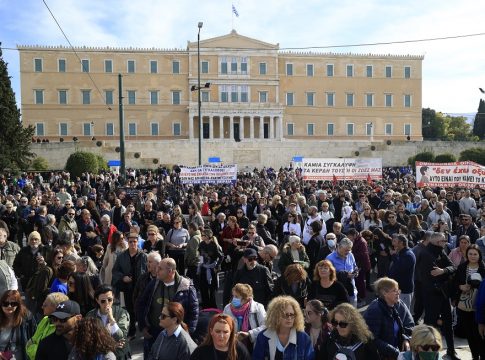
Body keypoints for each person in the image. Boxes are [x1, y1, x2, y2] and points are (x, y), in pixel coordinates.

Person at [136, 257, 198, 359]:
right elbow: (141, 304)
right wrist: (142, 326)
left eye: (160, 268)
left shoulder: (186, 287)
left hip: (175, 336)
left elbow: (193, 312)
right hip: (153, 333)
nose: (157, 270)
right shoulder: (154, 283)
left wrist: (188, 333)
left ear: (170, 271)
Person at [417, 231, 460, 360]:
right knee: (430, 326)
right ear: (436, 242)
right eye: (443, 240)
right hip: (431, 296)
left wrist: (443, 271)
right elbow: (432, 275)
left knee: (448, 324)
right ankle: (428, 354)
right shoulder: (425, 254)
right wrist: (445, 273)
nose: (446, 242)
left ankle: (451, 352)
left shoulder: (441, 251)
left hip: (443, 294)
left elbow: (453, 267)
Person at [364, 277, 414, 359]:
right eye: (394, 291)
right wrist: (395, 352)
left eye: (398, 290)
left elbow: (410, 324)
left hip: (397, 353)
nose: (398, 293)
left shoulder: (400, 304)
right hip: (380, 356)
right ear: (384, 293)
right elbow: (372, 339)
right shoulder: (374, 310)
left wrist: (406, 339)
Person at [451, 244, 485, 360]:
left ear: (479, 255)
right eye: (470, 254)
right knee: (469, 334)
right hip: (464, 305)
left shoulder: (483, 268)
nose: (472, 256)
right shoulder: (462, 267)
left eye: (475, 254)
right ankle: (474, 356)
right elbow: (454, 282)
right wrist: (460, 287)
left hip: (479, 306)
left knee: (479, 334)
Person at [252, 295, 314, 360]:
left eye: (292, 314)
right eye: (285, 315)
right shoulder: (263, 337)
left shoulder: (304, 338)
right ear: (276, 316)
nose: (289, 318)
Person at [111, 231, 147, 338]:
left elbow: (148, 270)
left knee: (141, 308)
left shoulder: (143, 256)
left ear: (137, 242)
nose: (132, 244)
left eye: (134, 242)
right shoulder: (122, 256)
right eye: (130, 242)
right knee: (129, 309)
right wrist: (123, 277)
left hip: (141, 287)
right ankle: (132, 330)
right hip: (128, 287)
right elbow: (115, 271)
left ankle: (143, 328)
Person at [86, 285, 131, 360]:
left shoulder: (122, 313)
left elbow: (121, 336)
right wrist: (111, 345)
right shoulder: (90, 315)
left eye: (109, 299)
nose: (107, 303)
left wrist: (111, 318)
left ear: (113, 297)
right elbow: (89, 339)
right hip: (100, 355)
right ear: (97, 300)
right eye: (103, 301)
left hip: (120, 355)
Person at [223, 283, 266, 351]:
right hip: (234, 347)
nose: (234, 299)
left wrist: (249, 334)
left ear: (246, 299)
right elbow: (223, 326)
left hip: (254, 346)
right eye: (233, 296)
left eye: (236, 297)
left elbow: (265, 326)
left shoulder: (258, 307)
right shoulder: (227, 308)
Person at [26, 292, 69, 360]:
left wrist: (32, 348)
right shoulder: (45, 319)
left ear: (55, 308)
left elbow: (44, 353)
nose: (42, 307)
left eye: (45, 305)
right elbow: (32, 340)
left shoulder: (60, 328)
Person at [0, 290, 36, 360]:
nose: (9, 306)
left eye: (13, 304)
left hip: (20, 355)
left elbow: (34, 338)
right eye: (5, 303)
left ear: (18, 305)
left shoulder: (27, 318)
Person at [326, 237, 359, 306]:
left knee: (352, 312)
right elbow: (328, 275)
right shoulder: (329, 258)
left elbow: (354, 266)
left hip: (352, 290)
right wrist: (344, 275)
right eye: (346, 250)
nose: (348, 252)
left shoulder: (350, 255)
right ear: (339, 247)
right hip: (338, 292)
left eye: (349, 250)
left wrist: (356, 272)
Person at [388, 234, 416, 311]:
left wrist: (393, 255)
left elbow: (400, 268)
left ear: (401, 243)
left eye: (394, 241)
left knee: (403, 312)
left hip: (404, 290)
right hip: (398, 288)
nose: (392, 244)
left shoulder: (408, 255)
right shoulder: (400, 252)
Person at [198, 228, 224, 308]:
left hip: (211, 269)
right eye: (202, 235)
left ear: (208, 236)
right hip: (203, 267)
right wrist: (200, 265)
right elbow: (200, 255)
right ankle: (205, 304)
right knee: (203, 287)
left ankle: (212, 305)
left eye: (203, 235)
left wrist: (216, 266)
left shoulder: (214, 245)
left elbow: (221, 256)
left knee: (212, 288)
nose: (201, 236)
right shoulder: (201, 244)